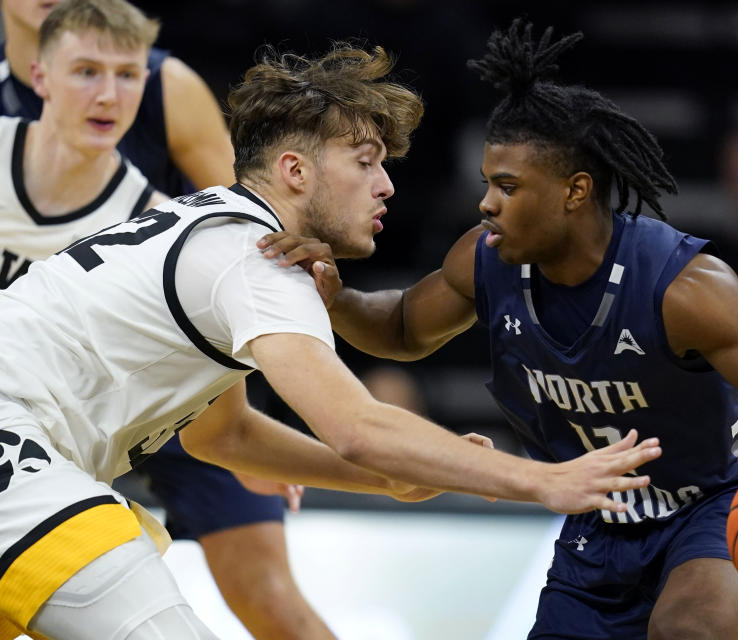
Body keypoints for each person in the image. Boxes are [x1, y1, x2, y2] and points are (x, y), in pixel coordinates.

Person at [0, 30, 661, 640]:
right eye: (366, 162)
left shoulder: (213, 230)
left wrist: (389, 482)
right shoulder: (260, 260)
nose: (386, 185)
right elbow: (358, 427)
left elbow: (222, 436)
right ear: (295, 172)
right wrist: (540, 480)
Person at [287, 20, 738, 639]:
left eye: (508, 187)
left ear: (575, 192)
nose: (487, 202)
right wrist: (337, 298)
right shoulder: (486, 257)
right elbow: (404, 328)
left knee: (686, 633)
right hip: (597, 523)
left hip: (710, 509)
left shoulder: (683, 287)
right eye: (489, 182)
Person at [0, 1, 333, 637]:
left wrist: (252, 437)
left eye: (125, 75)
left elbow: (245, 236)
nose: (108, 92)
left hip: (150, 389)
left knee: (267, 595)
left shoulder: (158, 188)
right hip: (36, 402)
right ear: (41, 76)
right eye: (87, 72)